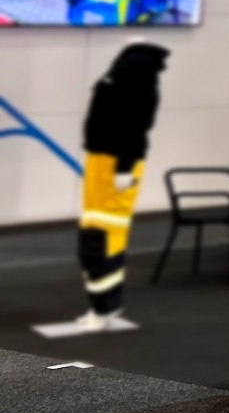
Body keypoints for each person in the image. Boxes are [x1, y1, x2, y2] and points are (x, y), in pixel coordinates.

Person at [58, 42, 168, 333]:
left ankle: (104, 307)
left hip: (115, 163)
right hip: (102, 161)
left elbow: (136, 122)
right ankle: (102, 305)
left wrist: (124, 167)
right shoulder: (127, 63)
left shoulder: (138, 67)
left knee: (101, 238)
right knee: (96, 234)